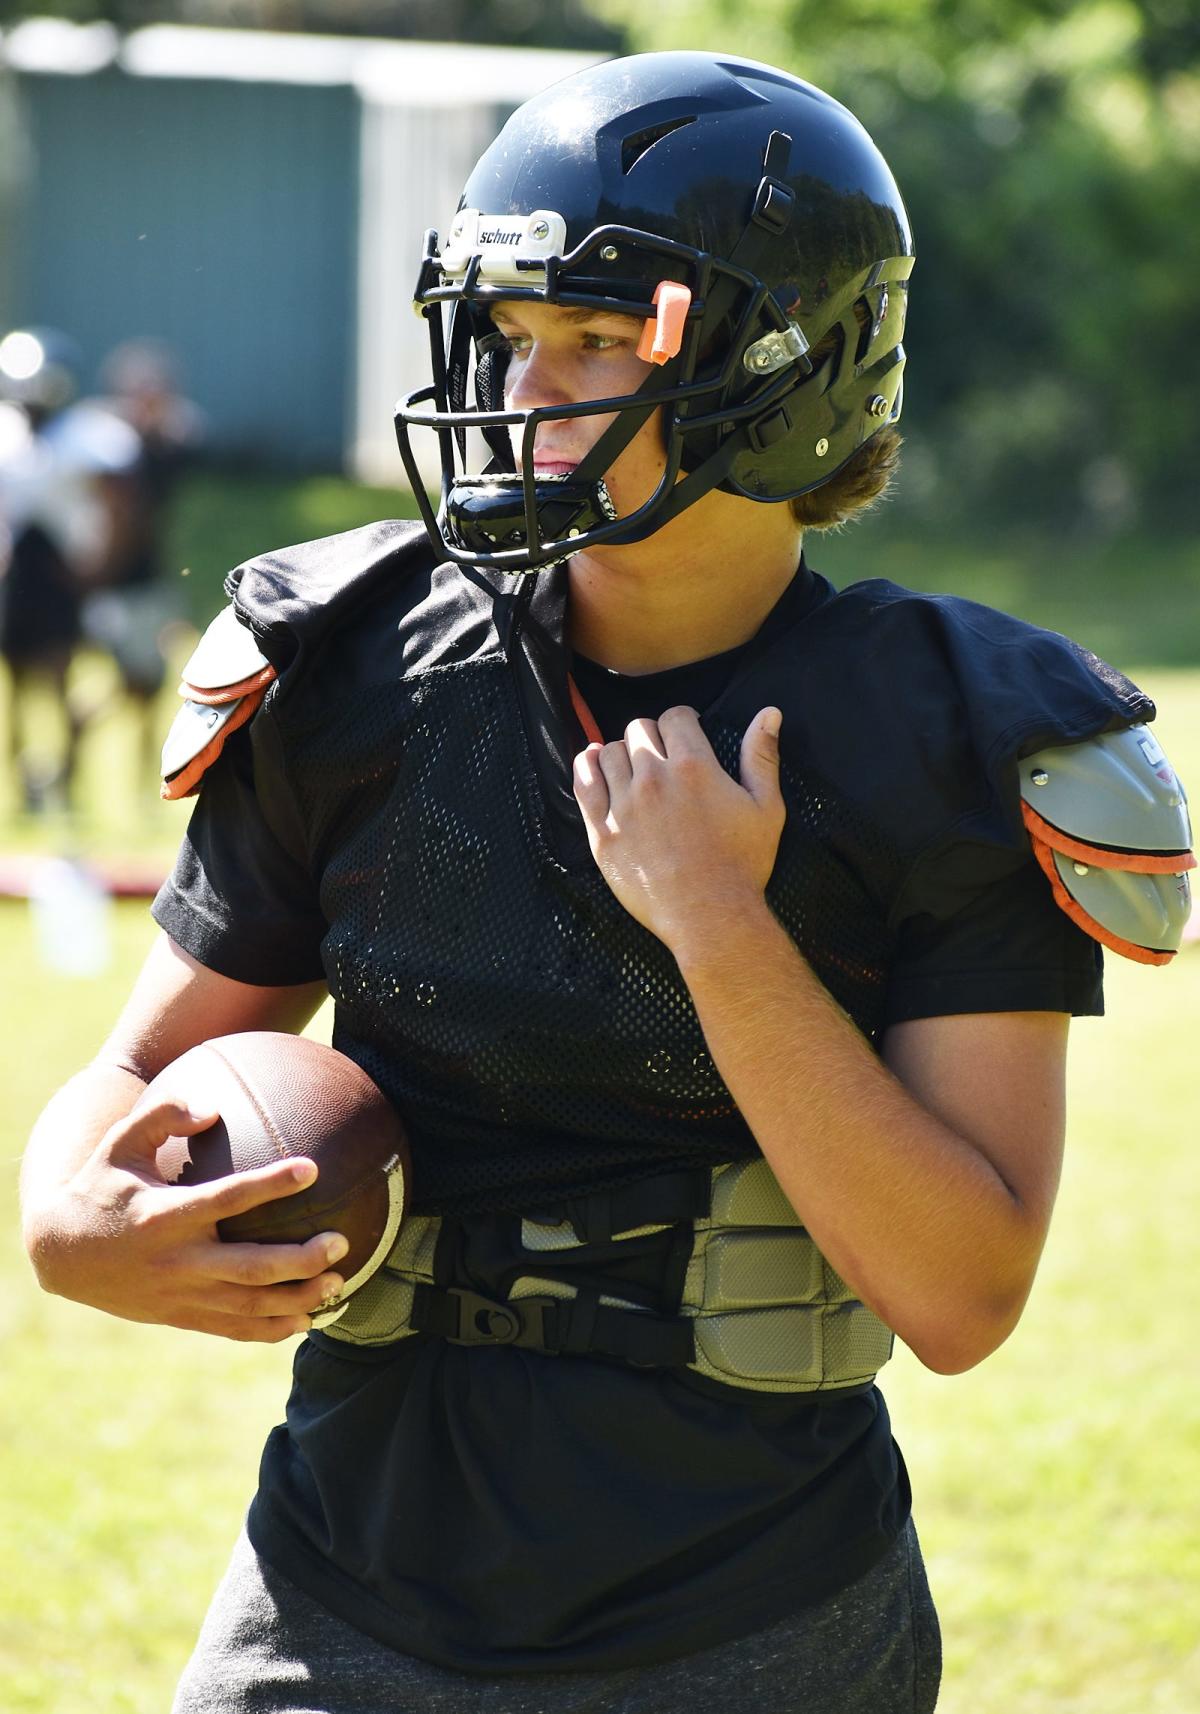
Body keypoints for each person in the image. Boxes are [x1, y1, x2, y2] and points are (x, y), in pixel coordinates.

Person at [19, 51, 1194, 1714]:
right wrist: (67, 1207)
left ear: (780, 367)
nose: (522, 387)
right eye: (510, 336)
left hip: (758, 1616)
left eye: (592, 338)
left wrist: (721, 921)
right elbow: (136, 1064)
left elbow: (960, 1285)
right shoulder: (355, 664)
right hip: (340, 1585)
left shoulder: (948, 734)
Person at [0, 327, 140, 811]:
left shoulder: (86, 435)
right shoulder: (8, 433)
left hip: (62, 573)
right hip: (19, 573)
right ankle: (23, 785)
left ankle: (63, 780)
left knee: (65, 677)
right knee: (17, 681)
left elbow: (118, 506)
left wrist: (99, 568)